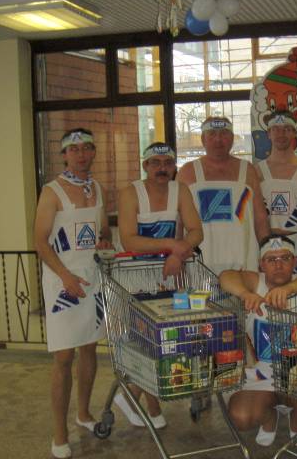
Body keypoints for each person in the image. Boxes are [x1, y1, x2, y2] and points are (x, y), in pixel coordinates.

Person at [34, 129, 113, 459]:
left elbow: (103, 230)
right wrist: (65, 276)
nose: (81, 155)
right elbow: (40, 241)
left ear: (93, 152)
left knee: (90, 348)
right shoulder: (52, 191)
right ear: (64, 155)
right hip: (62, 283)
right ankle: (59, 432)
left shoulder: (97, 188)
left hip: (91, 279)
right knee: (64, 357)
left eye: (87, 148)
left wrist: (105, 240)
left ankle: (83, 413)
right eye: (74, 149)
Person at [114, 142, 203, 429]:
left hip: (171, 275)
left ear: (174, 167)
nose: (162, 168)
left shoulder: (181, 191)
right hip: (136, 277)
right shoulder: (130, 193)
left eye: (167, 163)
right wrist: (172, 245)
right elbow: (129, 240)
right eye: (155, 163)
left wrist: (177, 253)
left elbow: (196, 231)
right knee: (145, 340)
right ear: (145, 166)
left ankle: (147, 404)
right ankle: (134, 398)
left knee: (166, 339)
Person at [219, 235, 297, 447]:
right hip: (261, 374)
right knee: (241, 417)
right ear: (261, 264)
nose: (279, 265)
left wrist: (288, 289)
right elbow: (226, 276)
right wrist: (245, 294)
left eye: (285, 258)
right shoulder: (255, 281)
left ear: (294, 261)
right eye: (271, 259)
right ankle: (269, 416)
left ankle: (296, 421)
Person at [177, 116, 270, 274]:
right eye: (212, 134)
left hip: (244, 261)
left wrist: (267, 252)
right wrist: (177, 256)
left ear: (232, 138)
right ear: (203, 139)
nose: (218, 139)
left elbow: (260, 219)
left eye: (224, 133)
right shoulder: (187, 172)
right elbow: (178, 221)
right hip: (199, 262)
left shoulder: (247, 170)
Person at [255, 112, 297, 271]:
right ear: (268, 133)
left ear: (294, 133)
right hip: (265, 245)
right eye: (276, 129)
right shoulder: (256, 170)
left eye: (287, 129)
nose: (281, 134)